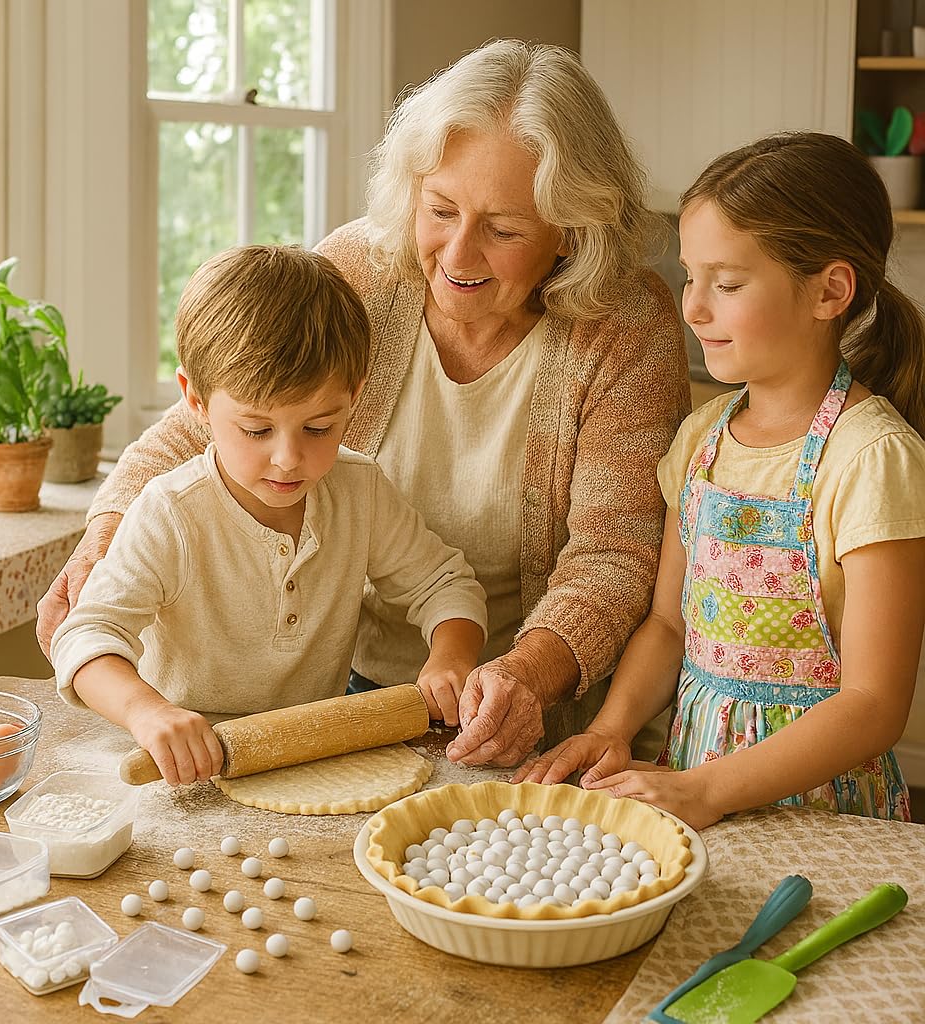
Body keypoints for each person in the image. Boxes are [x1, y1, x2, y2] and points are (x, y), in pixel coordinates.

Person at [37, 39, 690, 768]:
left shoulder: (624, 326)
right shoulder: (362, 270)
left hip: (540, 711)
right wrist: (107, 536)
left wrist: (522, 674)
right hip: (356, 692)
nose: (458, 254)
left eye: (503, 229)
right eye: (440, 209)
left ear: (570, 231)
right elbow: (206, 419)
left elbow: (614, 556)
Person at [514, 132, 925, 827]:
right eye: (690, 276)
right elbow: (669, 623)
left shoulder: (871, 458)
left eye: (727, 284)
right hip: (694, 789)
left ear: (830, 290)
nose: (693, 307)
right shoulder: (702, 440)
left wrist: (709, 790)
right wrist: (612, 727)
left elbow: (873, 707)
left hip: (822, 817)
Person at [49, 245, 488, 786]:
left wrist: (451, 656)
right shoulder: (171, 514)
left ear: (354, 395)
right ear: (197, 400)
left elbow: (445, 584)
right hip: (184, 772)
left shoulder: (360, 493)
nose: (288, 458)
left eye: (319, 427)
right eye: (256, 430)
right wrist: (147, 711)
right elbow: (85, 637)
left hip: (308, 762)